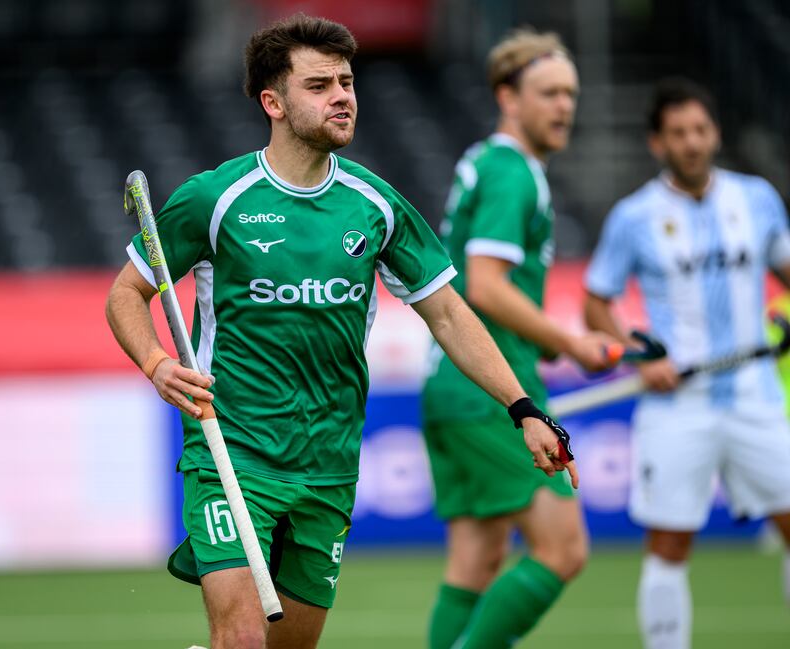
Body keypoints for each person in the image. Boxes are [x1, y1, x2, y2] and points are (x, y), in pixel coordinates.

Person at [105, 14, 577, 649]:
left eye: (347, 82)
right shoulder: (215, 197)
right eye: (320, 85)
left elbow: (450, 313)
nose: (342, 97)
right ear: (273, 102)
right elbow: (126, 294)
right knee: (242, 638)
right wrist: (158, 362)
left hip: (329, 465)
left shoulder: (375, 204)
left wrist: (522, 407)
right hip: (234, 455)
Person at [421, 29, 615, 649]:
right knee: (563, 550)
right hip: (491, 391)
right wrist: (574, 341)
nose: (564, 106)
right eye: (549, 93)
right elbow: (485, 285)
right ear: (508, 97)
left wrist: (548, 341)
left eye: (571, 94)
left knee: (475, 565)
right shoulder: (513, 171)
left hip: (451, 383)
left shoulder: (484, 161)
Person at [583, 77, 790, 649]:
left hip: (757, 397)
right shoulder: (634, 216)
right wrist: (640, 358)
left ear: (715, 133)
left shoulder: (758, 199)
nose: (692, 143)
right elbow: (596, 303)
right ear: (657, 143)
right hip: (677, 406)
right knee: (671, 545)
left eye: (700, 130)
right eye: (678, 133)